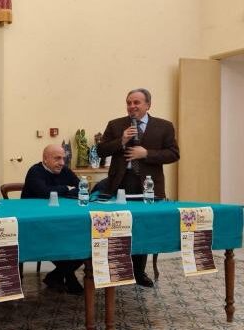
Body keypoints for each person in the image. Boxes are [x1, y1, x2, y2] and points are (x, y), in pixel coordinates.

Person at [97, 88, 180, 287]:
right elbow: (100, 151)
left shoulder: (164, 126)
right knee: (117, 226)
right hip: (120, 183)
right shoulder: (115, 125)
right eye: (129, 102)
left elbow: (173, 154)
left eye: (136, 102)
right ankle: (116, 268)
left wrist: (146, 154)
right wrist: (121, 140)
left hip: (148, 185)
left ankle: (139, 272)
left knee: (143, 227)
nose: (132, 106)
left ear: (148, 105)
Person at [21, 144, 84, 295]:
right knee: (57, 241)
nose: (62, 162)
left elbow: (81, 189)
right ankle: (69, 277)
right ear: (45, 159)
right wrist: (66, 189)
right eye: (57, 158)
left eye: (63, 158)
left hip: (62, 220)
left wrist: (61, 190)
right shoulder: (35, 171)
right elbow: (44, 192)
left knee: (82, 241)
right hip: (37, 225)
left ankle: (55, 276)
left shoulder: (65, 170)